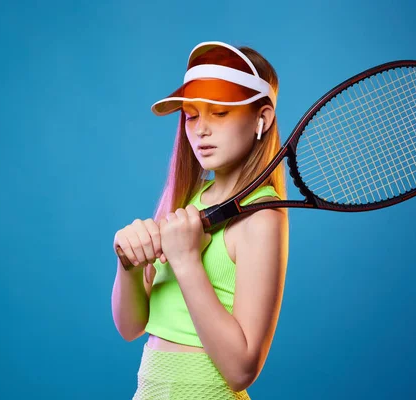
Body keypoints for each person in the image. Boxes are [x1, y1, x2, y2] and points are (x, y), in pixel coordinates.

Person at [112, 41, 289, 399]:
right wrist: (127, 266)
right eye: (192, 115)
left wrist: (187, 260)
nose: (201, 129)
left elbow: (241, 370)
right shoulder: (184, 201)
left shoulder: (262, 217)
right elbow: (131, 327)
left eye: (219, 112)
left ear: (262, 118)